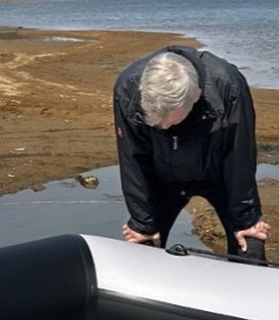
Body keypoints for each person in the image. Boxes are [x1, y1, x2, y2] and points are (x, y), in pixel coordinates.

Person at [113, 46, 270, 259]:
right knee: (142, 246)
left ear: (196, 94)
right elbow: (133, 157)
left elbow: (240, 156)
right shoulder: (127, 88)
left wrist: (246, 220)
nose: (165, 127)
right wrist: (142, 224)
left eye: (170, 120)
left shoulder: (229, 85)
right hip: (162, 179)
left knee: (250, 247)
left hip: (220, 176)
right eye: (157, 124)